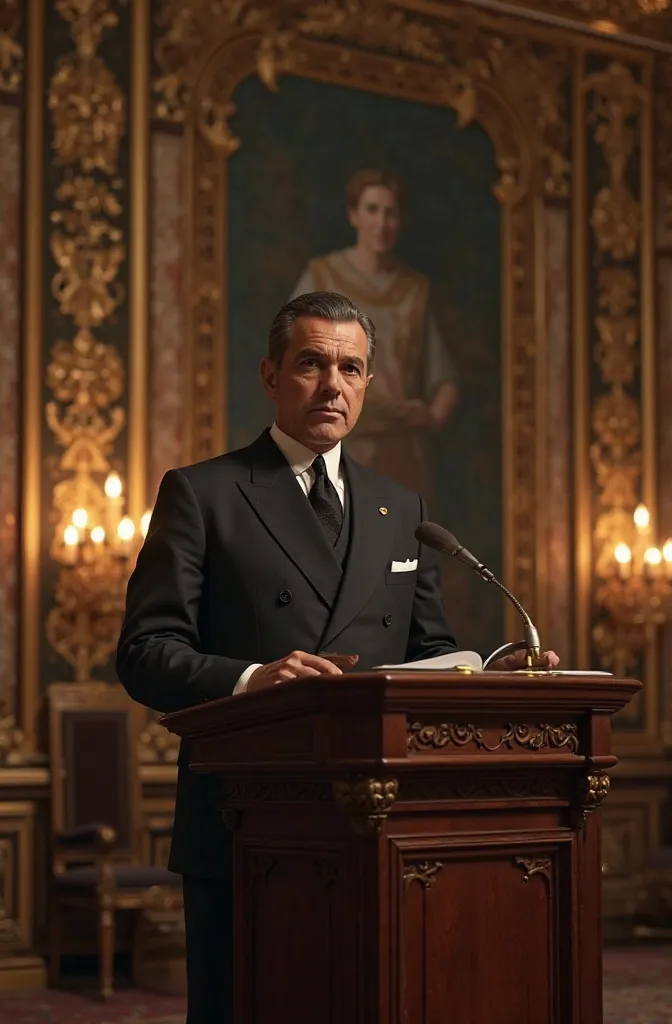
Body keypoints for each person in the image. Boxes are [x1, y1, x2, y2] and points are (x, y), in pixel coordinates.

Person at [116, 291, 557, 1023]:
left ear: (369, 385)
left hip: (384, 832)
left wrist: (480, 673)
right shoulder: (204, 493)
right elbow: (144, 652)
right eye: (312, 364)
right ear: (270, 374)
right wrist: (256, 679)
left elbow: (428, 651)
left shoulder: (402, 509)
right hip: (247, 825)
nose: (333, 385)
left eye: (351, 368)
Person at [291, 169, 457, 499]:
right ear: (354, 215)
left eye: (390, 213)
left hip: (400, 451)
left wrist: (432, 414)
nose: (381, 223)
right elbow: (290, 357)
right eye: (372, 210)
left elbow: (446, 378)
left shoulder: (414, 290)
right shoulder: (322, 276)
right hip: (334, 442)